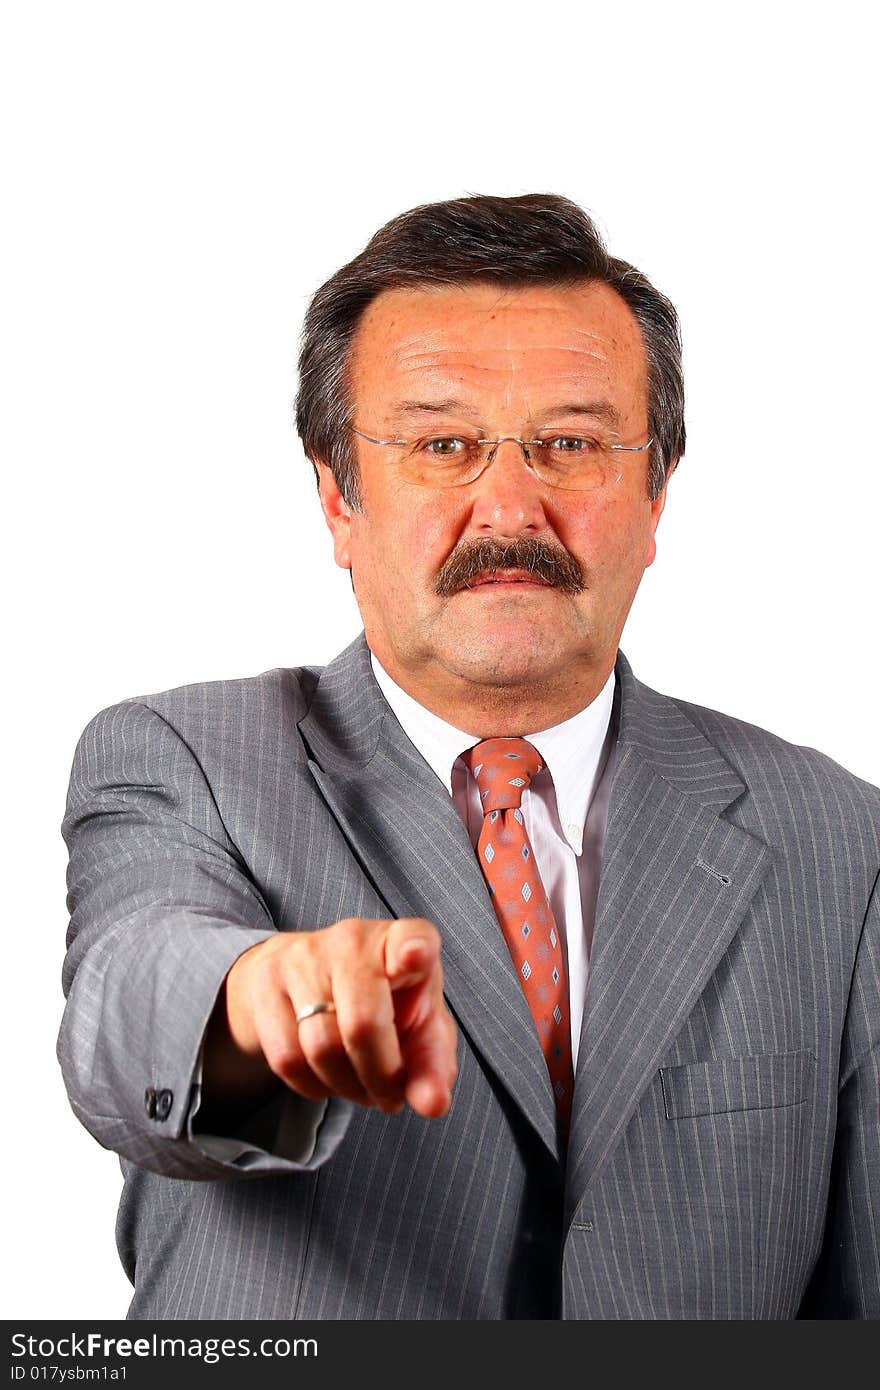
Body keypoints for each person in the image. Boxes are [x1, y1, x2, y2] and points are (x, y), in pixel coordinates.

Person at [59, 194, 879, 1320]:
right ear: (338, 497)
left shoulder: (837, 838)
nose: (509, 502)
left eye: (573, 444)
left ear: (654, 499)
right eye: (442, 444)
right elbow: (132, 1004)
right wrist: (256, 1013)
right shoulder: (187, 759)